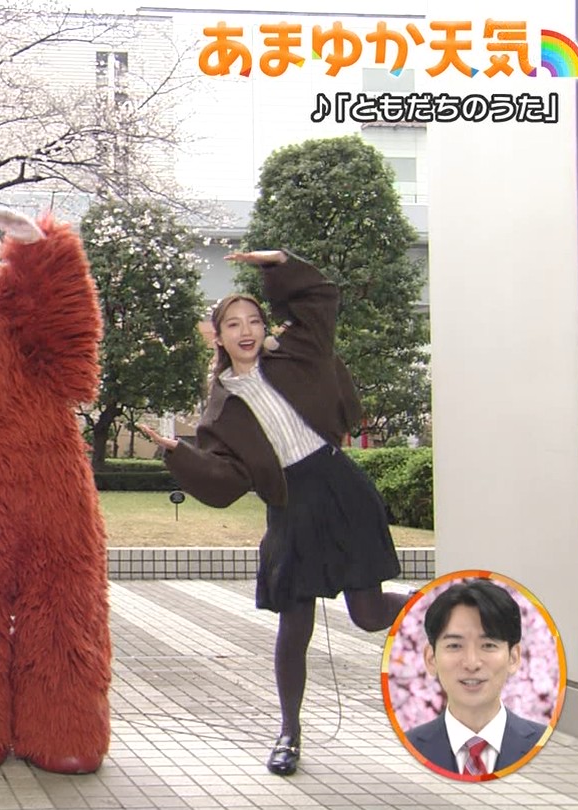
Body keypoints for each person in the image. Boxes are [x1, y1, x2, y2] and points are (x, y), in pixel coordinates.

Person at [140, 249, 407, 777]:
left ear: (264, 327)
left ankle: (441, 604)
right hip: (290, 506)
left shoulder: (298, 355)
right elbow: (226, 478)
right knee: (294, 622)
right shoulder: (221, 407)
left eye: (254, 321)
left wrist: (279, 262)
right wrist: (178, 453)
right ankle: (289, 733)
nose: (246, 330)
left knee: (369, 614)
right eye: (233, 324)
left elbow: (321, 299)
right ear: (218, 337)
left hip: (340, 487)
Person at [404, 579, 548, 777]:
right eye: (455, 646)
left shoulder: (543, 745)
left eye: (488, 645)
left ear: (513, 658)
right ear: (431, 658)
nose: (471, 663)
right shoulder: (409, 747)